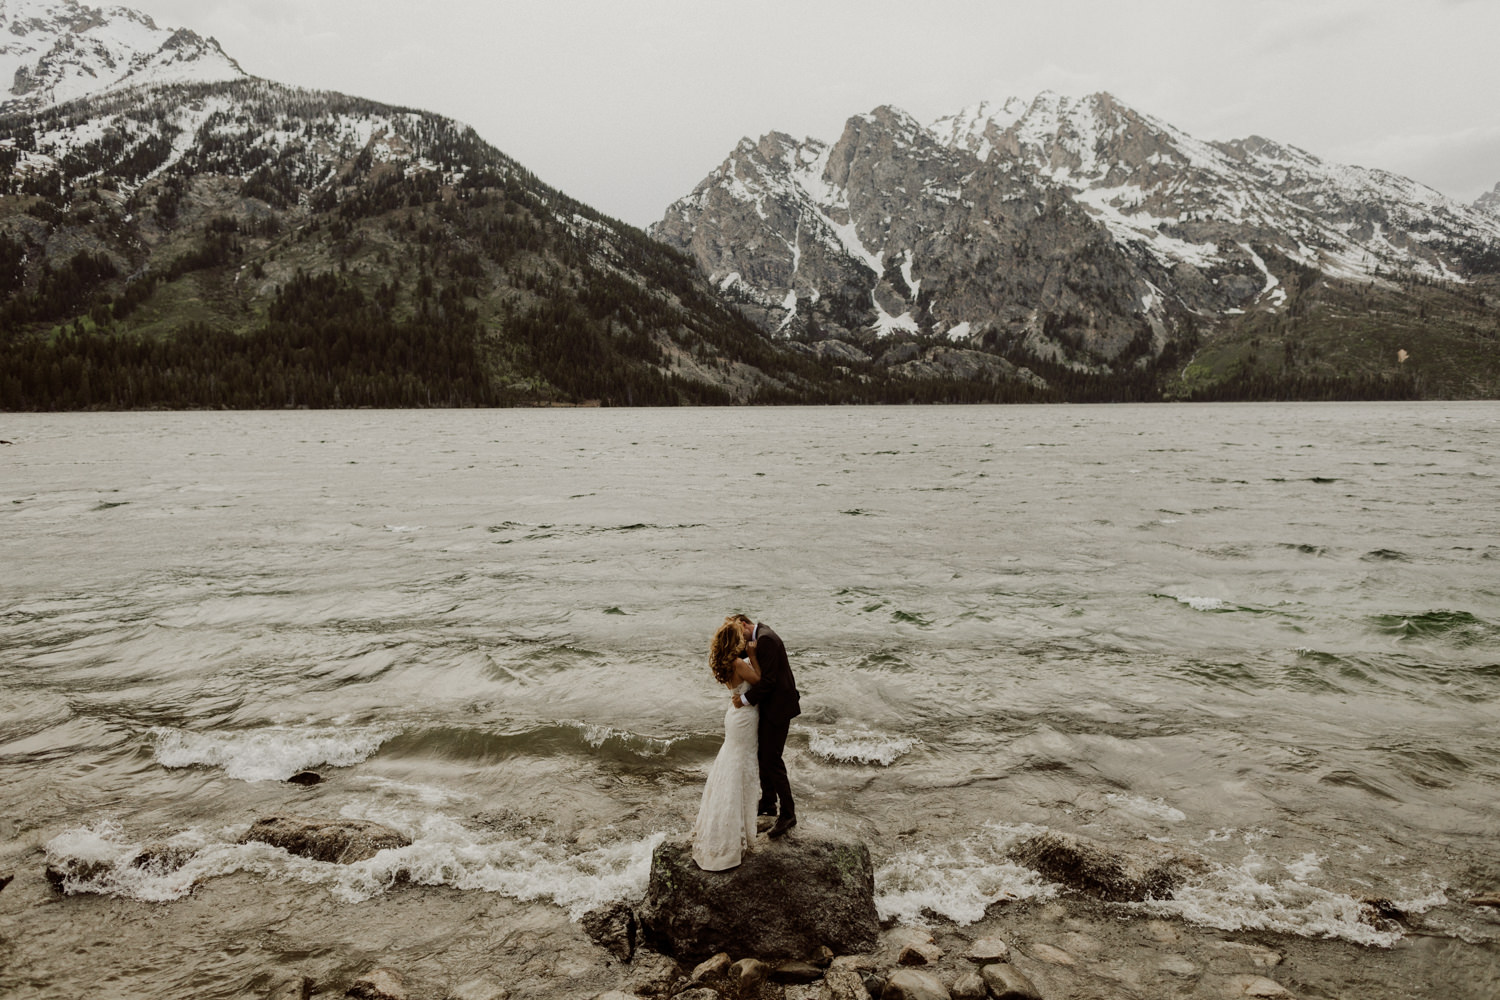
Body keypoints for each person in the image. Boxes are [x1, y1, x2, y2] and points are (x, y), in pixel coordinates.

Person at [690, 619, 763, 871]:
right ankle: (733, 835)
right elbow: (759, 679)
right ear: (735, 643)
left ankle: (730, 827)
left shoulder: (723, 665)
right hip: (744, 718)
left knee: (731, 763)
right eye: (739, 638)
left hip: (734, 717)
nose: (744, 641)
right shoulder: (739, 664)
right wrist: (753, 654)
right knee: (739, 765)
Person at [729, 613, 800, 838]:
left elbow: (768, 681)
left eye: (739, 636)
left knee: (772, 759)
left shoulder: (766, 639)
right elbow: (746, 662)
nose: (740, 645)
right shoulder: (758, 638)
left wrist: (744, 700)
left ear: (744, 624)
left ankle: (788, 813)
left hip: (778, 708)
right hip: (771, 707)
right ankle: (769, 802)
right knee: (763, 755)